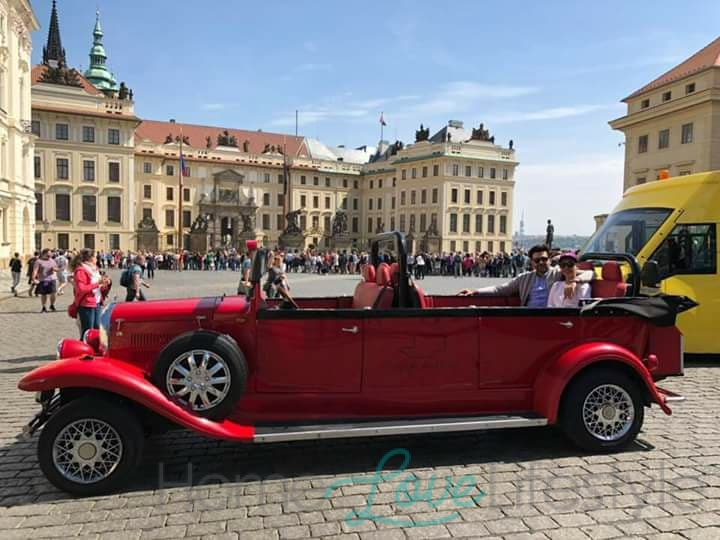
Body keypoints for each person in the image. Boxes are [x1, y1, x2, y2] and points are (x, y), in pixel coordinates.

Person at [459, 244, 592, 306]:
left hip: (549, 318)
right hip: (529, 316)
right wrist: (475, 291)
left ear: (550, 260)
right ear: (532, 262)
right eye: (537, 260)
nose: (541, 262)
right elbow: (501, 289)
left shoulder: (558, 272)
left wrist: (574, 281)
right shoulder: (525, 278)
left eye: (544, 259)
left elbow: (590, 273)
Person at [71, 249, 108, 336]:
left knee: (97, 329)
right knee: (88, 331)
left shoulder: (94, 269)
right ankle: (83, 348)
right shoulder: (81, 271)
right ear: (90, 258)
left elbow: (98, 286)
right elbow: (81, 289)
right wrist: (98, 283)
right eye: (95, 257)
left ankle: (95, 349)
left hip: (97, 302)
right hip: (86, 304)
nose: (97, 259)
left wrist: (105, 283)